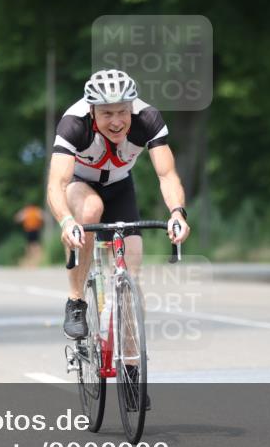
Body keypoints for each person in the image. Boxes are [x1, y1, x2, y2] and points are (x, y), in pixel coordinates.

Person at [46, 69, 191, 342]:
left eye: (122, 112)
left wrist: (177, 213)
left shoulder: (148, 119)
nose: (116, 122)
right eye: (107, 114)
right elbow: (56, 185)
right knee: (90, 210)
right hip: (80, 184)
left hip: (121, 186)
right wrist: (67, 221)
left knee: (131, 280)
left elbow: (167, 175)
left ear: (132, 109)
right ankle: (76, 301)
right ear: (92, 111)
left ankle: (132, 370)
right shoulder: (73, 124)